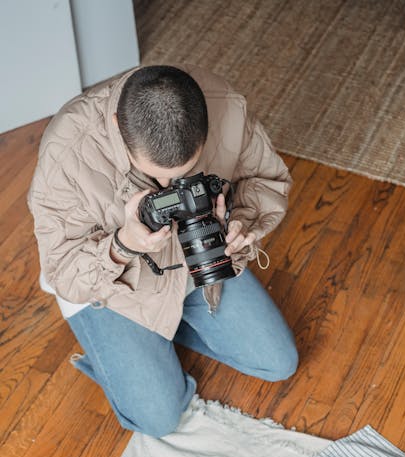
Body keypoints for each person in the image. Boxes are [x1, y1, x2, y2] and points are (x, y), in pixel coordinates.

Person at [28, 65, 298, 437]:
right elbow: (63, 271)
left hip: (195, 261)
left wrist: (240, 223)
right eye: (156, 178)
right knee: (159, 418)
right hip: (109, 286)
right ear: (116, 127)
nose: (169, 187)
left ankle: (160, 335)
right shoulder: (67, 151)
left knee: (278, 362)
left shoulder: (226, 106)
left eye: (184, 175)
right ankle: (127, 347)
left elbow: (266, 179)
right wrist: (123, 245)